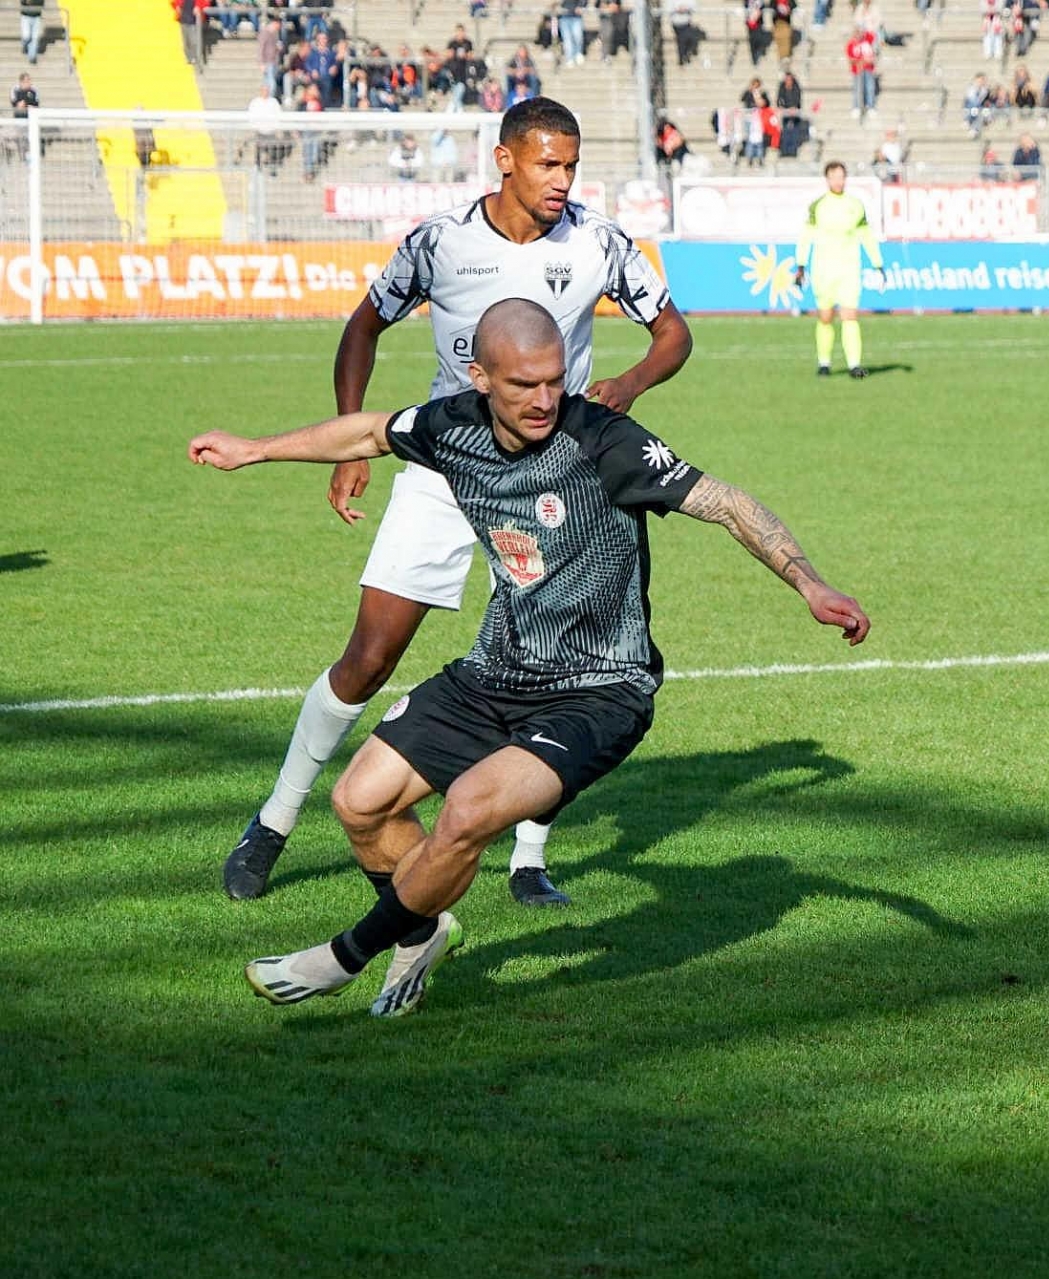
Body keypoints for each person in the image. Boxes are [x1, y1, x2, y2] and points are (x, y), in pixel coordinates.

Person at [190, 300, 869, 1018]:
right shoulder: (449, 426)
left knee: (468, 811)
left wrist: (809, 580)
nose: (545, 398)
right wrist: (254, 448)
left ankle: (340, 958)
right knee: (359, 803)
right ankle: (420, 933)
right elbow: (365, 431)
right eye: (523, 385)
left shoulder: (601, 439)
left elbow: (727, 503)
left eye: (553, 380)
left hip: (599, 690)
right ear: (480, 376)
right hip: (495, 673)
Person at [220, 98, 696, 910]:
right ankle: (273, 819)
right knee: (370, 654)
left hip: (558, 482)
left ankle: (528, 858)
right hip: (448, 468)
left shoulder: (600, 242)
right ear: (505, 160)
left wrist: (629, 383)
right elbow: (363, 327)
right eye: (549, 163)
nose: (563, 180)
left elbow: (673, 334)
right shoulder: (440, 242)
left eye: (572, 165)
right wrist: (349, 451)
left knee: (560, 660)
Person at [794, 161, 883, 379]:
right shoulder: (818, 206)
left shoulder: (855, 205)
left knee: (850, 315)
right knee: (825, 317)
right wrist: (801, 264)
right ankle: (824, 363)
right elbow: (806, 237)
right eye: (834, 177)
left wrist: (877, 263)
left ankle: (854, 365)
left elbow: (866, 236)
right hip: (823, 269)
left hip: (849, 269)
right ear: (827, 179)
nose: (838, 181)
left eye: (841, 177)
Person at [19, 0, 42, 65]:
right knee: (26, 36)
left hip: (37, 16)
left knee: (35, 38)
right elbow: (23, 2)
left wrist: (32, 2)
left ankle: (32, 57)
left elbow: (41, 3)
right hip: (26, 16)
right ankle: (25, 46)